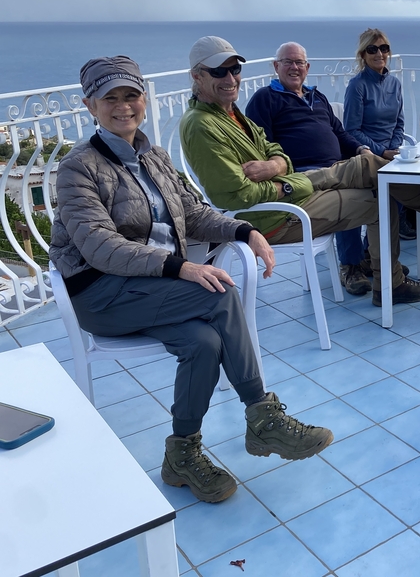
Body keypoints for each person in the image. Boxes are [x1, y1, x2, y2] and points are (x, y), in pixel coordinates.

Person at [49, 56, 334, 504]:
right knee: (218, 291)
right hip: (103, 294)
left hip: (157, 292)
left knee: (204, 343)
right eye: (111, 98)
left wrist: (245, 230)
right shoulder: (78, 168)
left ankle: (181, 455)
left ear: (144, 100)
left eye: (131, 96)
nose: (123, 107)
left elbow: (195, 212)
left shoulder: (154, 156)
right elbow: (99, 245)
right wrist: (181, 267)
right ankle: (264, 417)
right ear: (90, 105)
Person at [180, 36, 420, 307]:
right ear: (197, 76)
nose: (230, 78)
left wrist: (276, 165)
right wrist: (288, 183)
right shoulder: (204, 124)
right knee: (375, 180)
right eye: (219, 71)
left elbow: (277, 152)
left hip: (301, 185)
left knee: (376, 175)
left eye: (234, 69)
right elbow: (234, 195)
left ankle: (397, 274)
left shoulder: (234, 111)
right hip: (276, 215)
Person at [245, 41, 378, 296]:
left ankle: (370, 258)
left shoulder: (317, 97)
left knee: (381, 183)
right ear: (276, 66)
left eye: (299, 63)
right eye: (288, 62)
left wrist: (361, 149)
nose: (294, 67)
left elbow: (340, 133)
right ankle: (350, 266)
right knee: (355, 186)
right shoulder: (265, 98)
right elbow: (262, 147)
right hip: (302, 174)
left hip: (337, 166)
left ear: (307, 67)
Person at [341, 28, 417, 261]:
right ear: (363, 55)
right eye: (372, 49)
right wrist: (382, 151)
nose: (379, 54)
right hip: (367, 154)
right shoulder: (358, 85)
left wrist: (394, 149)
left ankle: (374, 251)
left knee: (417, 181)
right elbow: (351, 130)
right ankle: (372, 254)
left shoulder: (394, 84)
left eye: (384, 48)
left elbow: (399, 123)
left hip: (391, 153)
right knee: (392, 191)